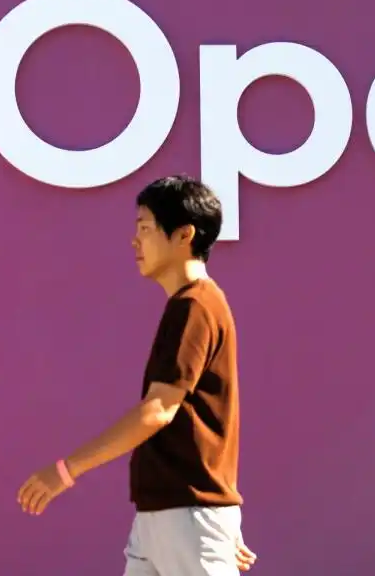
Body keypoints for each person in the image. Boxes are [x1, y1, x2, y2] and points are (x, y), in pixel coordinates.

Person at [16, 174, 258, 574]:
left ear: (184, 235)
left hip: (187, 517)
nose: (134, 241)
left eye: (145, 228)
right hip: (163, 518)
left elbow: (158, 410)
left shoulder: (196, 306)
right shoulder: (188, 305)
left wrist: (65, 471)